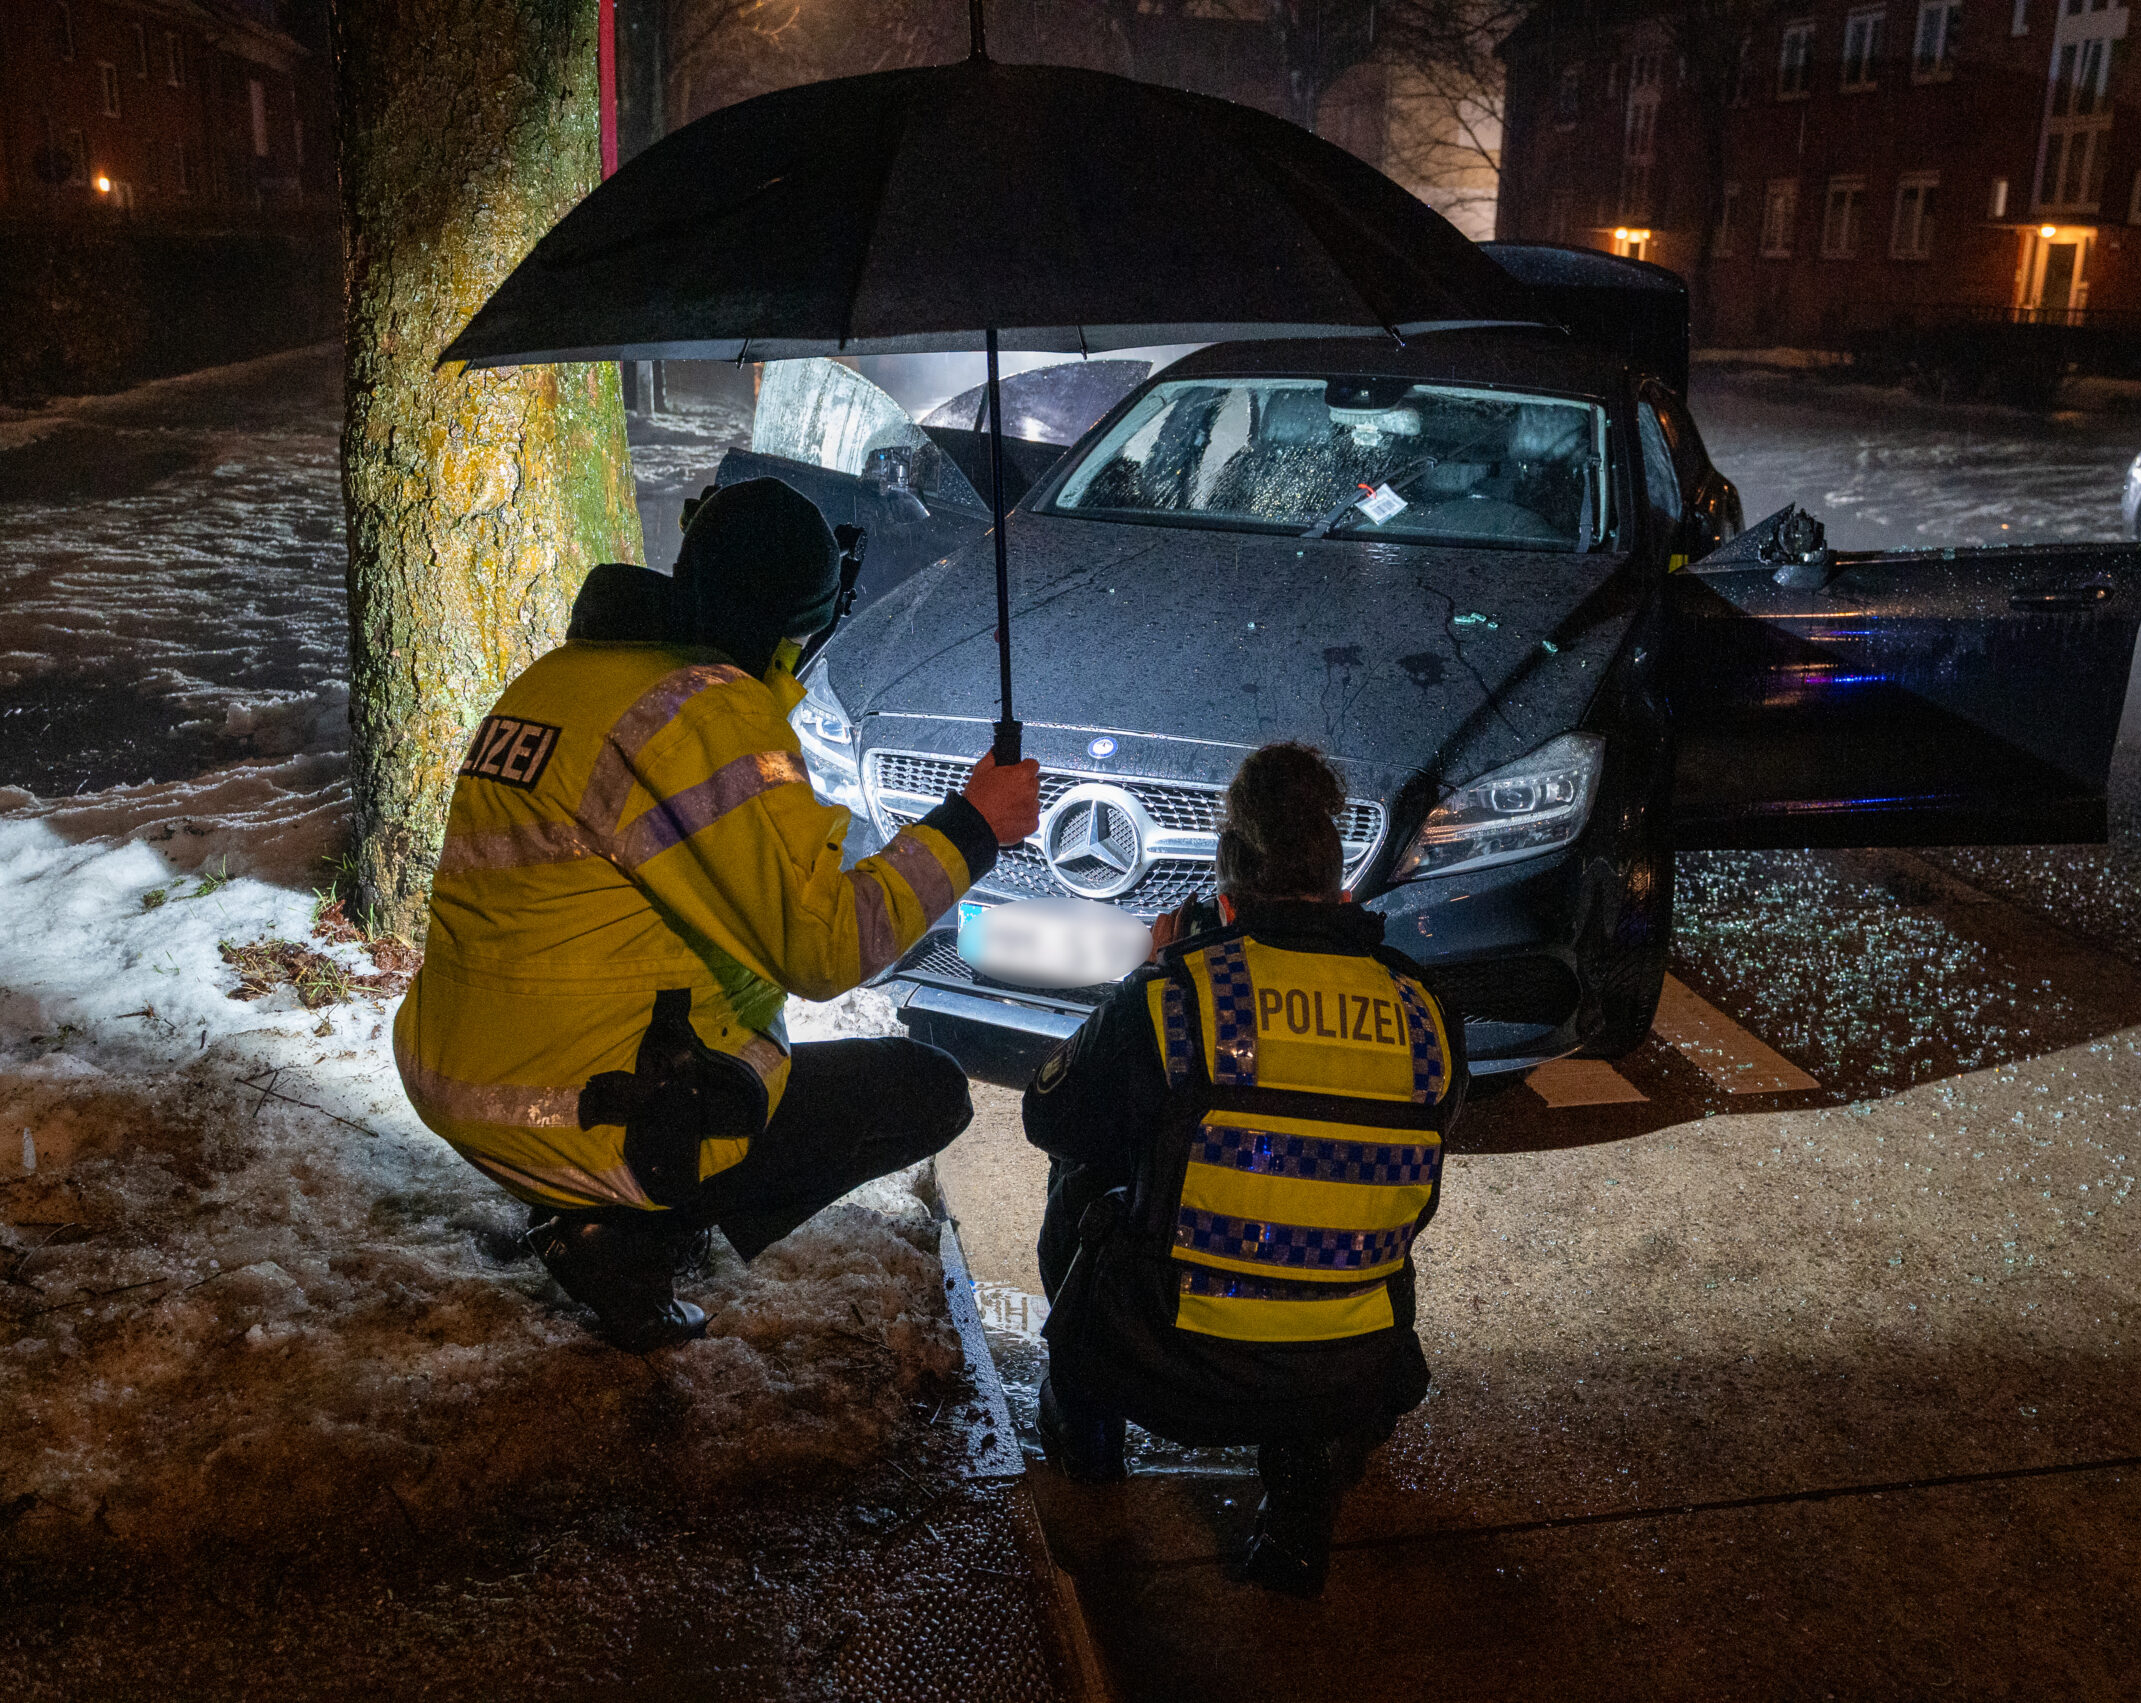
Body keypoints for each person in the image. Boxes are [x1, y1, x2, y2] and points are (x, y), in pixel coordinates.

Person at [394, 477, 1039, 1351]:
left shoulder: (565, 678)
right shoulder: (699, 711)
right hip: (588, 1111)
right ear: (795, 621)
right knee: (923, 1091)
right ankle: (628, 1233)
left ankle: (598, 1210)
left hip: (463, 1077)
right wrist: (971, 826)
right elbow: (824, 947)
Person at [1023, 743, 1466, 1598]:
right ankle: (1299, 1520)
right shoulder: (1422, 1009)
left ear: (1224, 896)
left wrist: (1145, 975)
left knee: (1081, 1176)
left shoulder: (1182, 994)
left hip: (1170, 1362)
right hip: (1348, 1371)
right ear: (1340, 891)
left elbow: (1051, 1116)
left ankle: (1089, 1443)